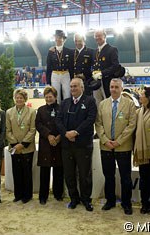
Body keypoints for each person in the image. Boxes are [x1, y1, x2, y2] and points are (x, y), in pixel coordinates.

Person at [95, 79, 136, 214]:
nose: (113, 89)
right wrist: (105, 140)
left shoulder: (129, 104)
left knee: (125, 177)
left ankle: (126, 203)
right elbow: (98, 124)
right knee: (109, 175)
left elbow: (131, 125)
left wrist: (119, 141)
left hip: (123, 147)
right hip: (106, 146)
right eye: (111, 87)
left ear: (121, 88)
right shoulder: (102, 104)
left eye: (116, 87)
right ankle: (110, 201)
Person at [56, 78, 97, 211]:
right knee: (69, 174)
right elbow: (58, 120)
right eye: (71, 86)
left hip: (83, 145)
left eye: (75, 86)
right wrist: (66, 133)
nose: (73, 88)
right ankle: (74, 199)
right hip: (67, 145)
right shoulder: (64, 103)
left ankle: (86, 199)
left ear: (82, 87)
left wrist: (76, 132)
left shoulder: (90, 101)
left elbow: (90, 119)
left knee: (85, 174)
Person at [6, 89, 36, 204]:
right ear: (15, 98)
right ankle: (18, 195)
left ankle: (27, 196)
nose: (19, 100)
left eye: (21, 98)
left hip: (27, 147)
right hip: (14, 148)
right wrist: (15, 144)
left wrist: (22, 144)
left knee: (27, 172)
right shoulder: (9, 112)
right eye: (17, 97)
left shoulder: (32, 112)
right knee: (16, 171)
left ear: (25, 99)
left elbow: (32, 130)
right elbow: (7, 131)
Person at [36, 86, 63, 205]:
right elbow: (38, 125)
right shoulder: (41, 110)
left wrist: (59, 136)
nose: (48, 98)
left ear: (55, 97)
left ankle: (58, 194)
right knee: (44, 171)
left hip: (59, 143)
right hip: (45, 143)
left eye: (50, 96)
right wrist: (49, 135)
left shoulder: (61, 109)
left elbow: (64, 123)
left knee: (58, 170)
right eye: (46, 97)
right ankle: (43, 196)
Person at [92, 29, 119, 105]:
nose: (97, 38)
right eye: (96, 36)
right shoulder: (95, 51)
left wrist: (102, 73)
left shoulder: (112, 49)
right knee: (97, 103)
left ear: (104, 36)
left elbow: (115, 66)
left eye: (99, 36)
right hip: (96, 82)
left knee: (108, 103)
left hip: (107, 81)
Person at [46, 30, 73, 104]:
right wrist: (48, 81)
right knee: (56, 94)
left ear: (64, 39)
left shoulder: (69, 51)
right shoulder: (51, 51)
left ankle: (67, 110)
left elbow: (71, 66)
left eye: (60, 37)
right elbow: (48, 66)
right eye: (57, 37)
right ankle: (57, 112)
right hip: (55, 74)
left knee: (67, 94)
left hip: (65, 74)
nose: (58, 39)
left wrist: (72, 77)